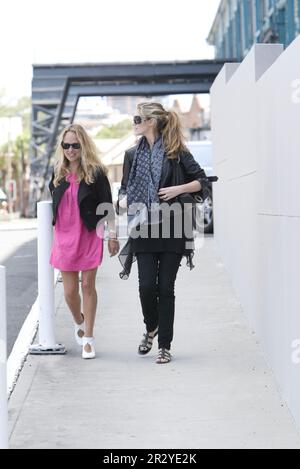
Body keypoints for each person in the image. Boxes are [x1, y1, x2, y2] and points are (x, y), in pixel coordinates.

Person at [117, 102, 207, 364]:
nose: (134, 123)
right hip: (143, 227)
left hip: (172, 227)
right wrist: (123, 200)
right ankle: (151, 327)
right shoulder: (132, 155)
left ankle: (164, 345)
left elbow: (202, 182)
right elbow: (124, 189)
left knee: (165, 287)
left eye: (138, 118)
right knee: (146, 286)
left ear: (151, 122)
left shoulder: (176, 152)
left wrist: (177, 190)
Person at [49, 123, 119, 359]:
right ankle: (79, 320)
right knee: (69, 292)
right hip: (64, 237)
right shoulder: (58, 171)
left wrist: (111, 235)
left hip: (89, 234)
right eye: (66, 145)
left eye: (75, 145)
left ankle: (88, 338)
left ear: (83, 145)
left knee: (87, 286)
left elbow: (108, 206)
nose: (70, 150)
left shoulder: (96, 173)